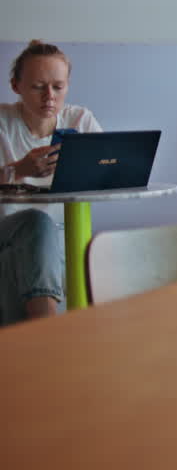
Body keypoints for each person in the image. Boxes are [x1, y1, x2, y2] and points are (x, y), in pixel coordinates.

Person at [0, 40, 102, 324]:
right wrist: (18, 169)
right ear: (16, 86)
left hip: (64, 230)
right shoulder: (3, 124)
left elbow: (109, 171)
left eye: (58, 87)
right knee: (36, 222)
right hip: (7, 229)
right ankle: (48, 328)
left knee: (52, 235)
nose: (49, 97)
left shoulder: (80, 120)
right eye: (37, 87)